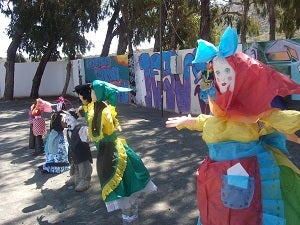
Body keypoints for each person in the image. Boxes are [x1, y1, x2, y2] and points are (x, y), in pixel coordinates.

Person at [166, 27, 300, 225]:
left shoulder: (255, 112)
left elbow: (283, 120)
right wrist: (188, 122)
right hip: (217, 182)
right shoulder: (219, 111)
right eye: (218, 71)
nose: (221, 77)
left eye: (227, 70)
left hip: (245, 179)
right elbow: (209, 122)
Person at [82, 80, 157, 225]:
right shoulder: (97, 108)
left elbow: (99, 133)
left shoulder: (104, 110)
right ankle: (130, 220)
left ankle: (131, 221)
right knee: (124, 192)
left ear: (99, 93)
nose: (90, 93)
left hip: (113, 153)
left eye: (92, 91)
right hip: (107, 151)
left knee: (125, 190)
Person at [62, 108, 93, 192]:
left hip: (82, 154)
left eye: (69, 117)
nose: (66, 119)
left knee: (83, 166)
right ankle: (75, 176)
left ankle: (85, 180)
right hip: (73, 153)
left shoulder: (81, 129)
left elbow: (89, 138)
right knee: (74, 165)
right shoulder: (67, 131)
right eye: (66, 117)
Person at [39, 97, 70, 174]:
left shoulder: (64, 115)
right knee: (49, 149)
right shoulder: (54, 114)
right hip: (53, 134)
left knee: (57, 150)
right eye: (57, 105)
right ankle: (48, 164)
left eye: (59, 105)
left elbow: (65, 124)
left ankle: (55, 167)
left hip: (59, 136)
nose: (57, 106)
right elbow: (46, 110)